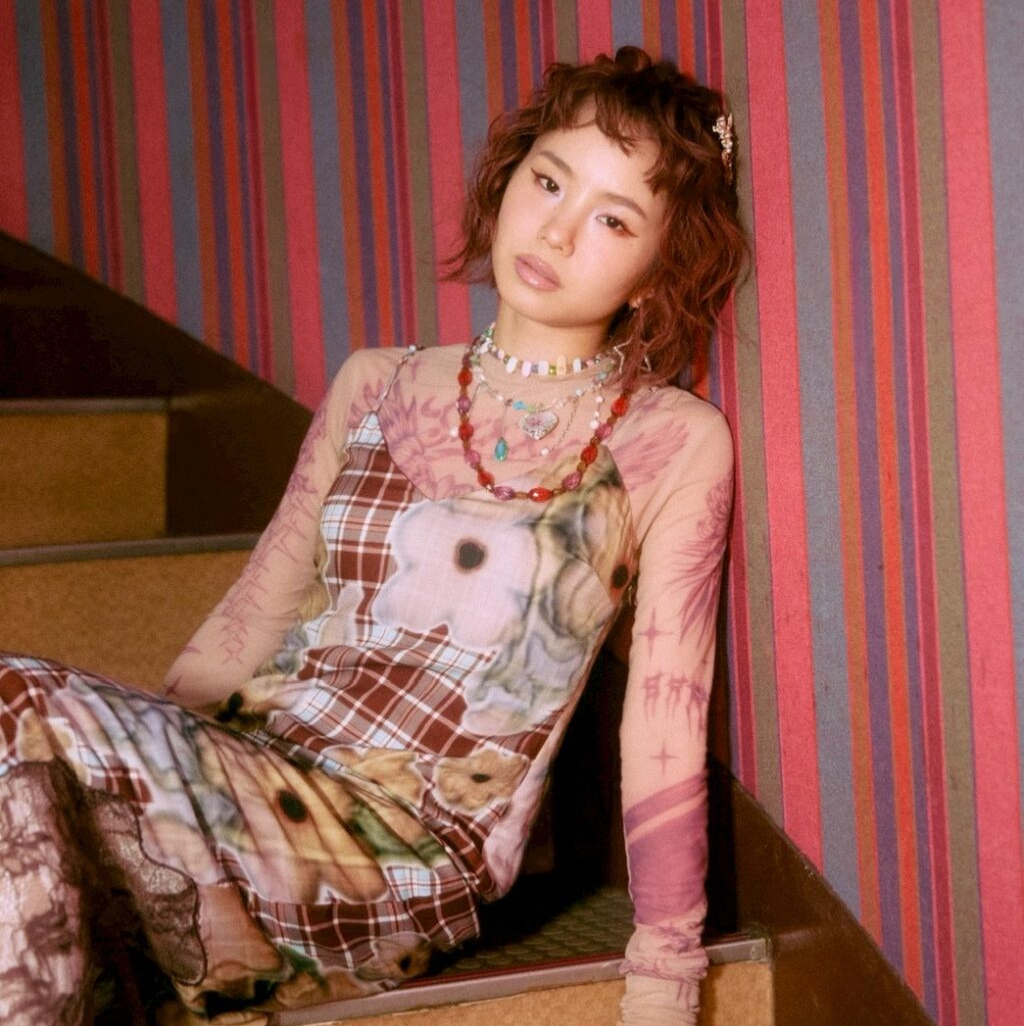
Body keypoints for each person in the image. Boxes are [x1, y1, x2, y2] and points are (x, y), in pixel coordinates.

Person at [0, 46, 745, 1026]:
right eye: (549, 181)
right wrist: (145, 758)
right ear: (508, 179)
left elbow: (664, 717)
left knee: (14, 695)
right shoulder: (377, 381)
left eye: (613, 219)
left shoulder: (670, 441)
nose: (557, 229)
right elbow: (260, 604)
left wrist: (665, 971)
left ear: (656, 271)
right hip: (250, 773)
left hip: (401, 847)